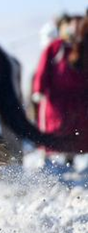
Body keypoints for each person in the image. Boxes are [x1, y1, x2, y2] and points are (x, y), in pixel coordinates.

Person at [32, 13, 88, 157]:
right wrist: (39, 89)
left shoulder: (81, 48)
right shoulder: (56, 47)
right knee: (57, 132)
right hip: (56, 101)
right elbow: (43, 68)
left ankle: (73, 158)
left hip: (77, 101)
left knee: (75, 132)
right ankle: (53, 158)